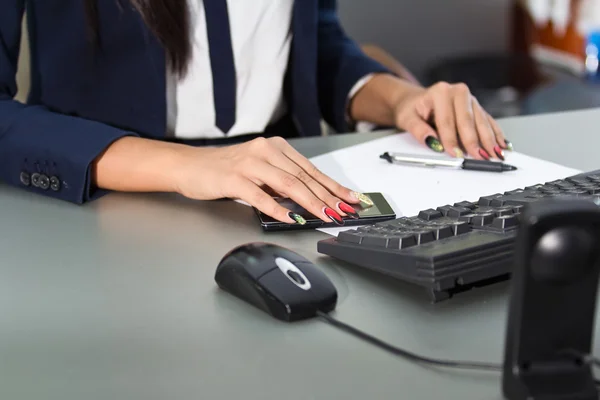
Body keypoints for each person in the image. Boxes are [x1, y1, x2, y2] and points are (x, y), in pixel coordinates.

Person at [0, 0, 510, 227]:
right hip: (110, 202)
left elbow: (311, 45)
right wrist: (189, 165)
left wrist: (396, 98)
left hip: (286, 188)